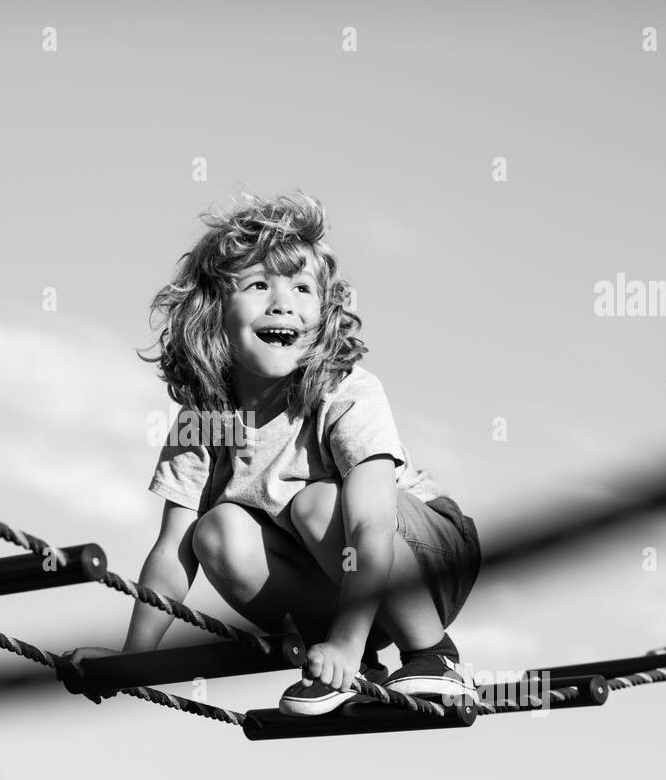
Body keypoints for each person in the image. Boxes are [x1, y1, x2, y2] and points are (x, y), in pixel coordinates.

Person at [70, 190, 481, 716]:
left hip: (423, 559)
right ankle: (341, 659)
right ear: (214, 311)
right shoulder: (206, 419)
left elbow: (370, 528)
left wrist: (348, 646)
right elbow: (173, 552)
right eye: (260, 284)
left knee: (317, 503)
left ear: (324, 313)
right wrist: (132, 659)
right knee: (214, 530)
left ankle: (431, 653)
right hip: (339, 582)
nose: (282, 302)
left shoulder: (346, 391)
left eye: (303, 288)